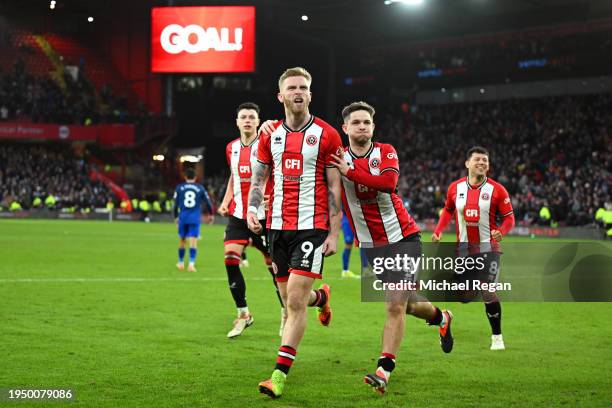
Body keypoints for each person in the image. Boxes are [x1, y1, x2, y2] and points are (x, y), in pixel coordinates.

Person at [330, 101, 453, 395]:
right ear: (345, 128)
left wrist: (350, 173)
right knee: (409, 305)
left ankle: (384, 369)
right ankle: (441, 317)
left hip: (403, 237)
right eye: (356, 122)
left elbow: (388, 182)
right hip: (372, 246)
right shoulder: (336, 158)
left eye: (367, 122)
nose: (362, 126)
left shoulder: (385, 151)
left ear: (373, 127)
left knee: (394, 304)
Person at [247, 67, 343, 398]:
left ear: (310, 94)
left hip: (312, 228)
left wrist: (333, 231)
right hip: (276, 227)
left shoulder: (328, 134)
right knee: (291, 302)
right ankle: (323, 298)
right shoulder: (268, 134)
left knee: (295, 303)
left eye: (304, 87)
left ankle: (278, 375)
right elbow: (259, 178)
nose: (298, 91)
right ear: (281, 96)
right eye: (292, 87)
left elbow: (334, 185)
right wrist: (252, 209)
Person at [432, 146, 515, 351]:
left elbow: (509, 218)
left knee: (488, 292)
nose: (482, 163)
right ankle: (449, 315)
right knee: (464, 297)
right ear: (467, 163)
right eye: (477, 159)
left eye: (485, 161)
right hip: (464, 251)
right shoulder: (455, 188)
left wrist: (502, 231)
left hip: (489, 249)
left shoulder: (497, 190)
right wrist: (439, 230)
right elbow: (448, 210)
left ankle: (497, 337)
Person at [217, 102, 285, 339]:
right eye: (243, 117)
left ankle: (286, 313)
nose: (247, 120)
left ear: (258, 121)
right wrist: (226, 201)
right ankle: (243, 313)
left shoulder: (268, 143)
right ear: (237, 122)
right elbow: (233, 177)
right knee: (230, 259)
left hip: (265, 217)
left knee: (276, 269)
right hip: (238, 215)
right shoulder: (231, 148)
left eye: (251, 117)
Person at [173, 167, 214, 272]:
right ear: (195, 177)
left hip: (183, 217)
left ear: (185, 176)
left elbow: (175, 205)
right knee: (193, 241)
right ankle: (191, 264)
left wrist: (176, 217)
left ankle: (181, 263)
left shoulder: (179, 187)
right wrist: (211, 214)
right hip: (194, 218)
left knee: (182, 240)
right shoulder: (200, 188)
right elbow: (208, 202)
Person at [340, 210, 368, 278]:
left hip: (359, 218)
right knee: (348, 243)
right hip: (347, 218)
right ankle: (345, 271)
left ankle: (365, 270)